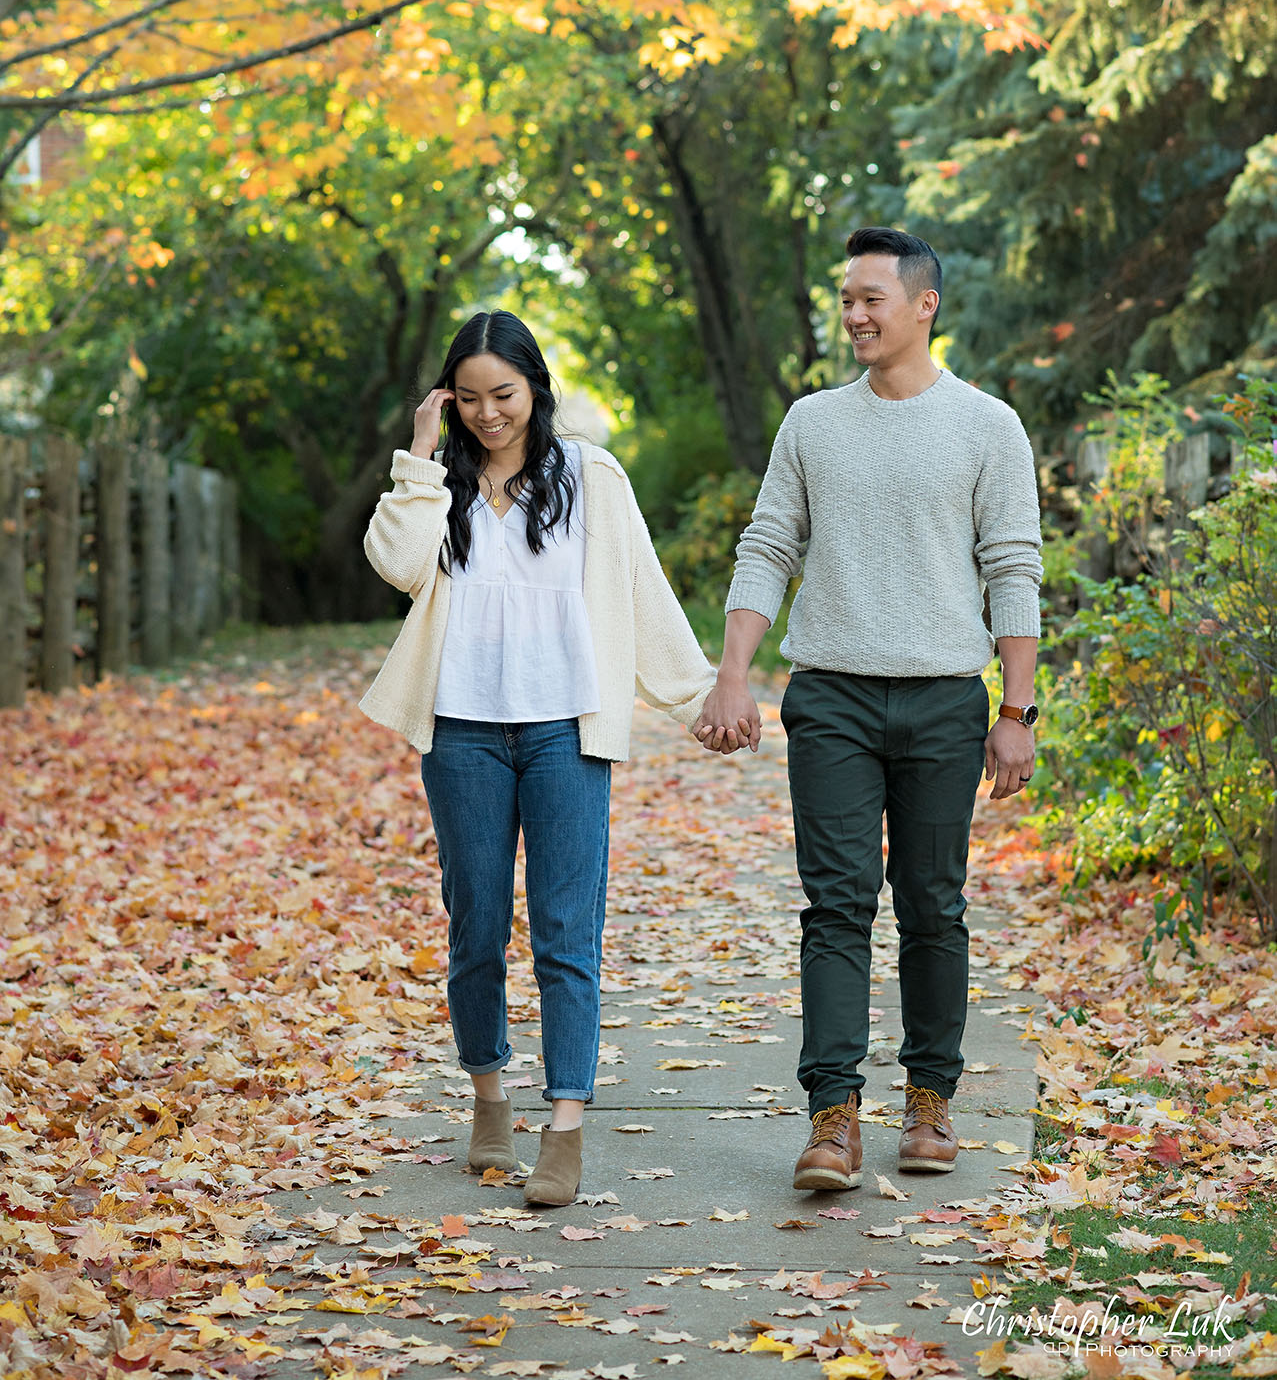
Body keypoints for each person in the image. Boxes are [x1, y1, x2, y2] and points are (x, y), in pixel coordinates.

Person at [695, 227, 1042, 1192]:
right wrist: (733, 670)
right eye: (844, 298)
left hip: (941, 698)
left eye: (869, 298)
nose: (852, 313)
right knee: (835, 908)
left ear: (922, 304)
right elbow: (768, 545)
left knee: (933, 906)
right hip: (832, 696)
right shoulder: (811, 422)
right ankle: (833, 1117)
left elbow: (1012, 567)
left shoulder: (987, 426)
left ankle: (930, 1102)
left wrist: (1015, 709)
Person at [360, 310, 716, 1207]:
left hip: (564, 731)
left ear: (536, 389)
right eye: (470, 398)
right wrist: (418, 449)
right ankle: (487, 1098)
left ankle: (563, 1127)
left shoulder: (590, 476)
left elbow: (643, 591)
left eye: (504, 395)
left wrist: (699, 695)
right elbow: (396, 566)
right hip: (461, 731)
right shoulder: (435, 482)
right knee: (475, 925)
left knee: (566, 932)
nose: (489, 415)